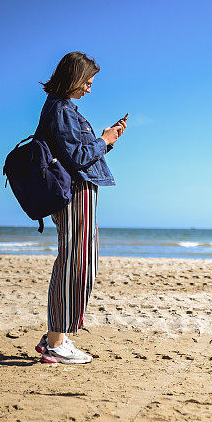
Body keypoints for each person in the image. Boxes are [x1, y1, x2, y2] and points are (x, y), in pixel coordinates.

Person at [33, 51, 127, 364]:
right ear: (73, 78)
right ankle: (56, 342)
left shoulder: (62, 109)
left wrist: (107, 141)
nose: (89, 88)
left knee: (78, 264)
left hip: (78, 192)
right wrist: (104, 139)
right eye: (87, 82)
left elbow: (78, 154)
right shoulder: (61, 109)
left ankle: (56, 338)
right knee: (76, 265)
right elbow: (78, 157)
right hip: (74, 194)